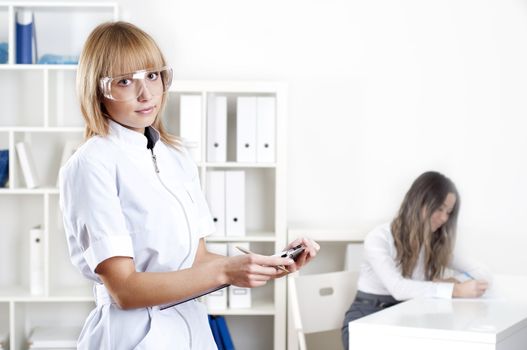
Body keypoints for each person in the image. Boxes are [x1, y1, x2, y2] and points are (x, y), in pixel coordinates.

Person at [59, 21, 320, 350]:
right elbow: (124, 290)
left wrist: (263, 265)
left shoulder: (174, 155)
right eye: (125, 82)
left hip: (190, 331)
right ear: (97, 90)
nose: (147, 94)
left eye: (153, 76)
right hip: (133, 336)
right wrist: (226, 271)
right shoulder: (91, 164)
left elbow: (194, 260)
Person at [341, 171, 490, 350]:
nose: (444, 218)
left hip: (406, 316)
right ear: (420, 202)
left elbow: (481, 271)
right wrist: (454, 289)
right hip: (367, 318)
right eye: (440, 209)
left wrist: (454, 283)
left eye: (448, 212)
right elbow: (398, 288)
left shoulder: (434, 244)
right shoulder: (379, 238)